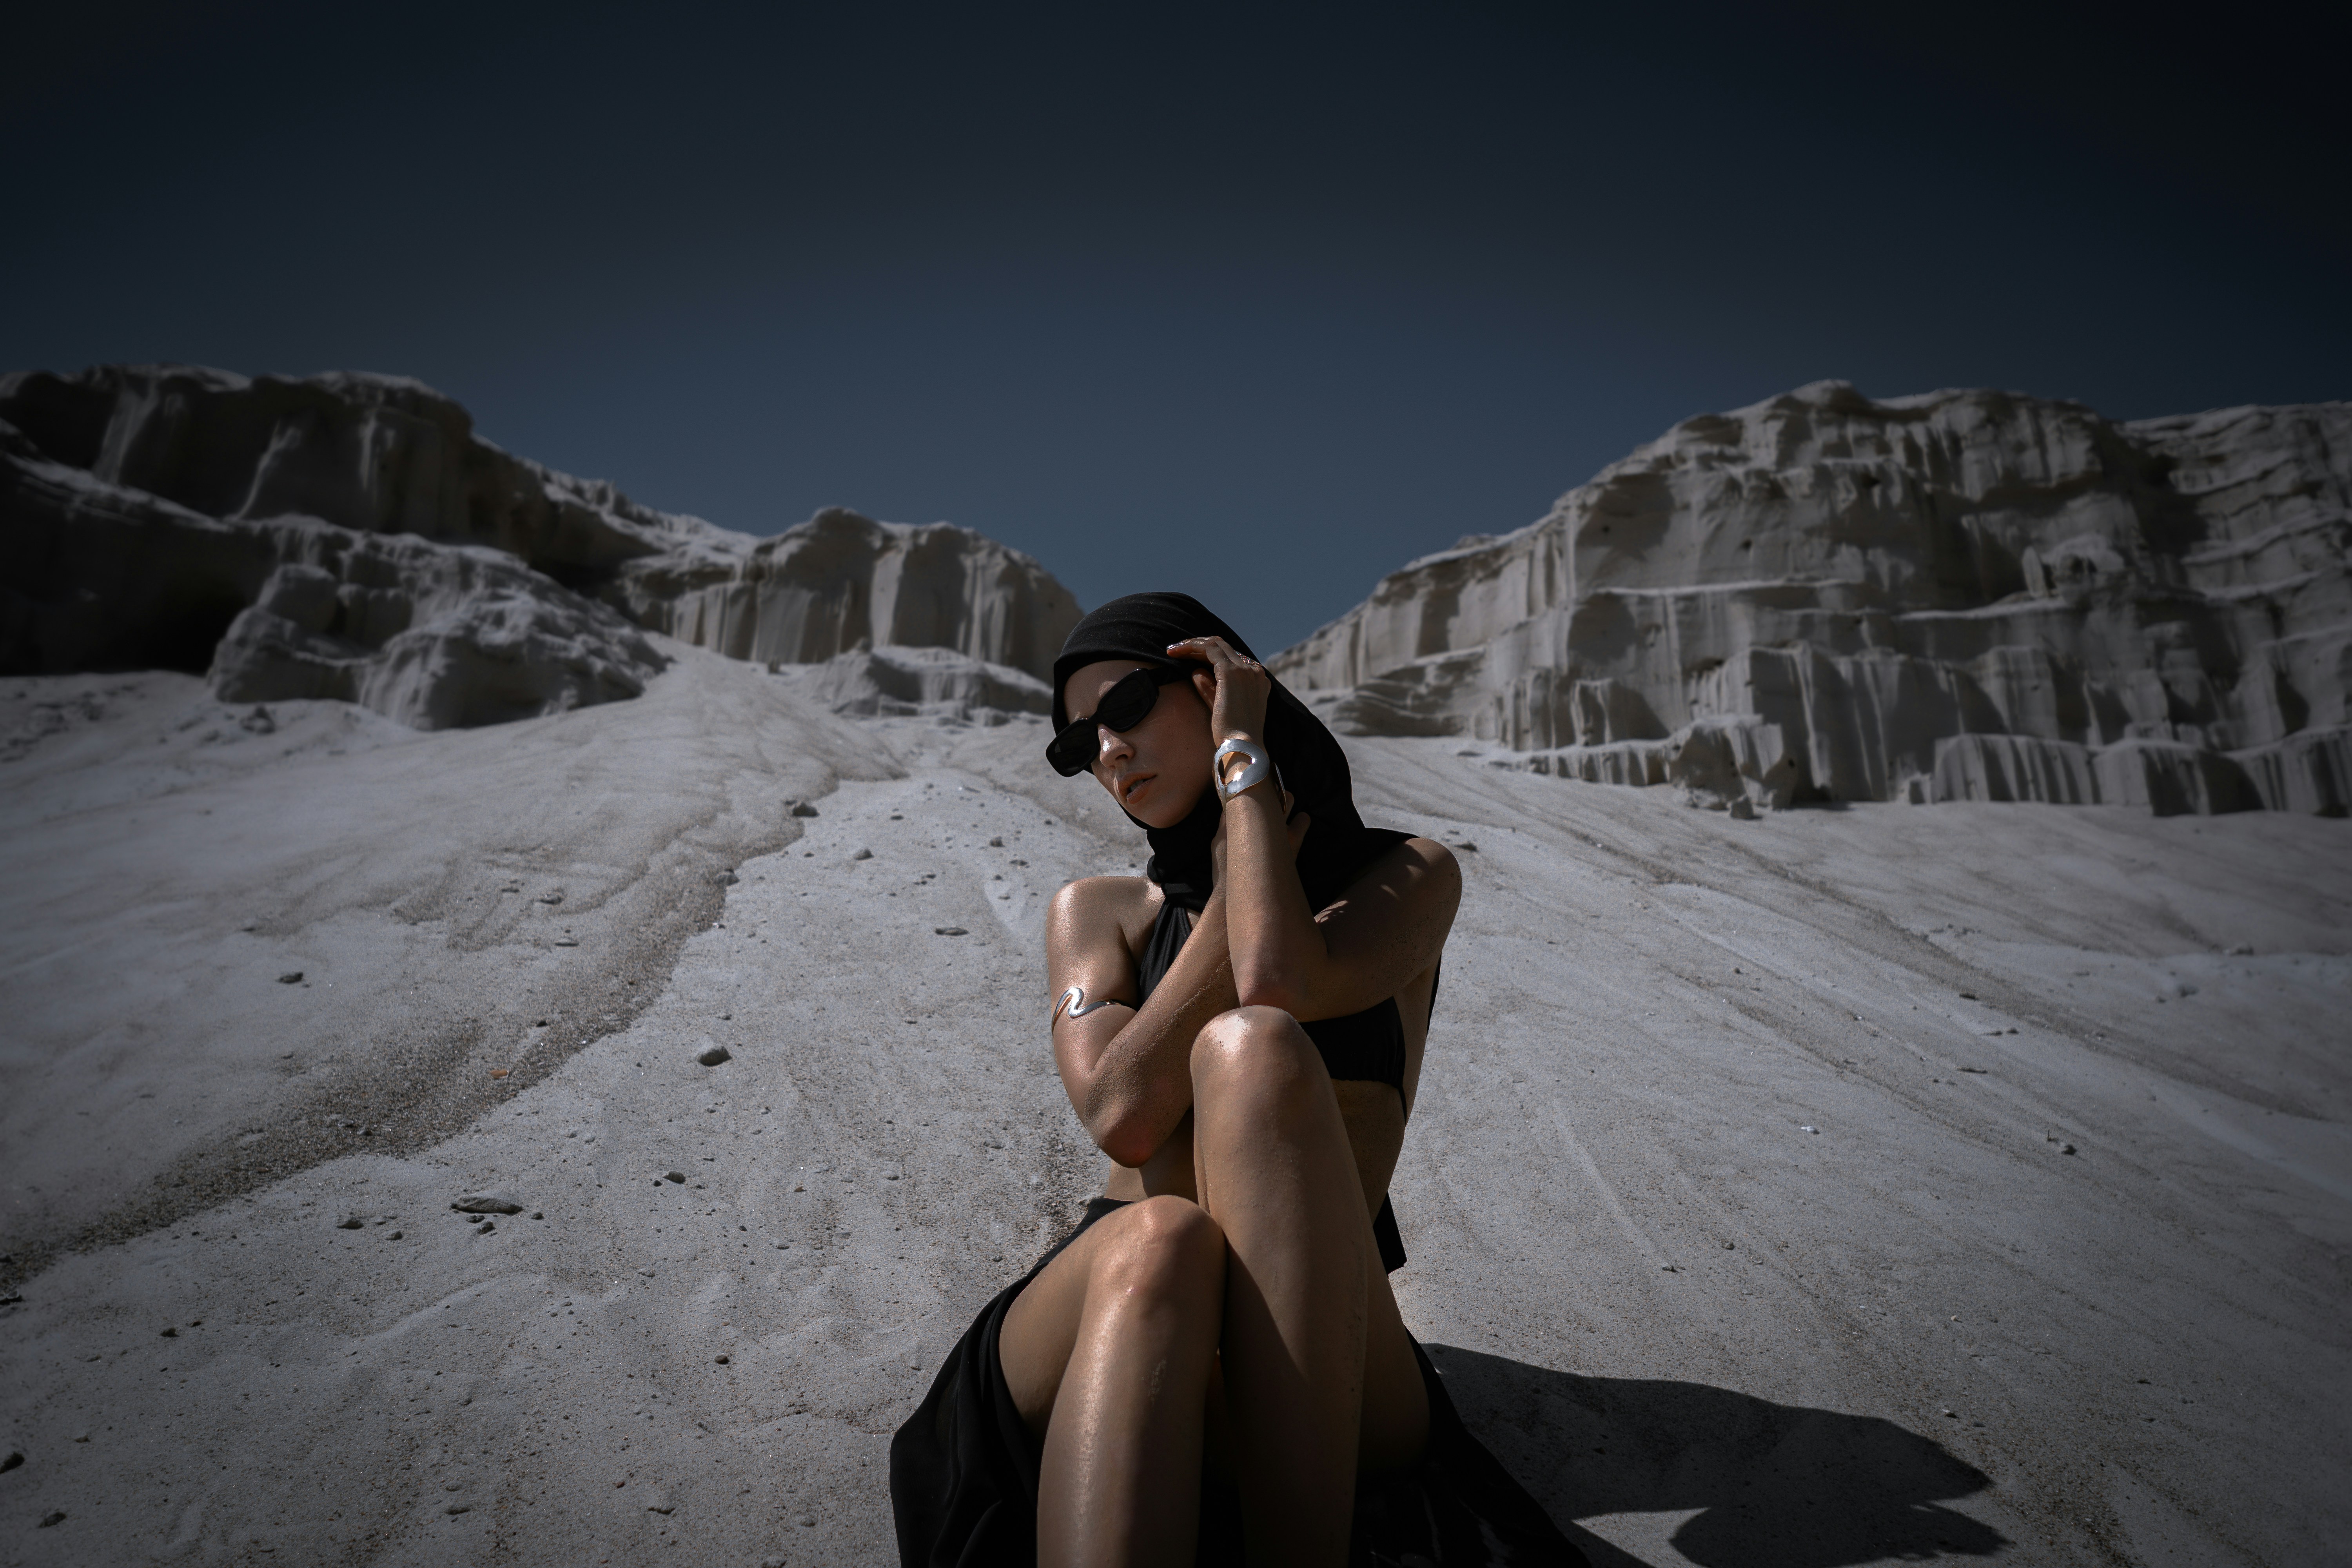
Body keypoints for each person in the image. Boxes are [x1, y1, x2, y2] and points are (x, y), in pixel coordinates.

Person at [891, 594, 1583, 1567]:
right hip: (1123, 1309)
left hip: (1321, 1335)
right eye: (1077, 741)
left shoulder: (1406, 876)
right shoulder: (1099, 911)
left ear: (1219, 685)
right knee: (1166, 1232)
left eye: (1127, 705)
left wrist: (1247, 768)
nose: (1107, 752)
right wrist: (1223, 896)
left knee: (1252, 1047)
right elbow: (1123, 1114)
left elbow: (1283, 979)